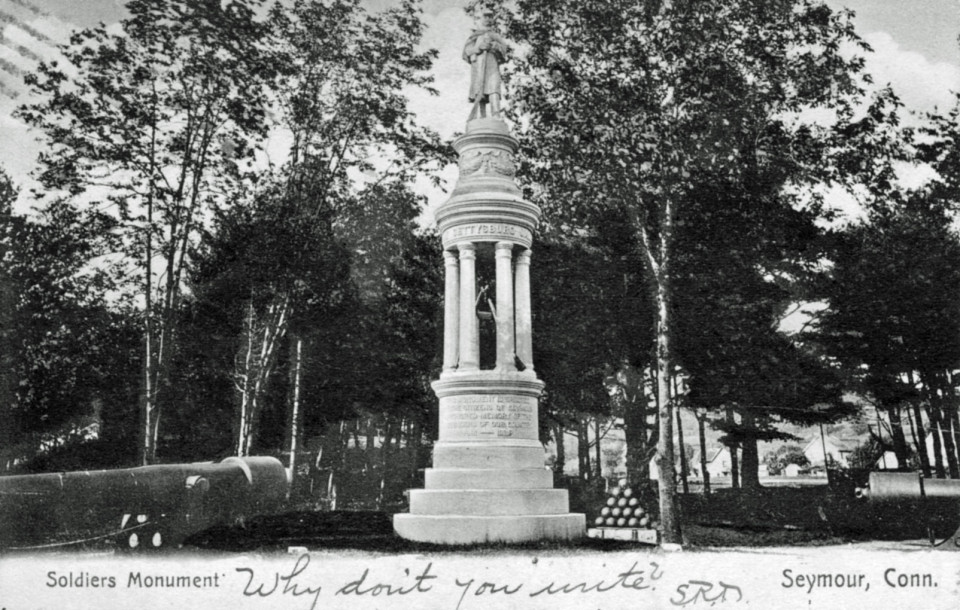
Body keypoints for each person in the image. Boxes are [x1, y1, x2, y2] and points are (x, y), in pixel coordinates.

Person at [462, 8, 508, 120]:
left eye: (490, 17)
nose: (488, 19)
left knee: (494, 88)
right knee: (479, 90)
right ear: (479, 18)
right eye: (485, 16)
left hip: (492, 66)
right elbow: (466, 51)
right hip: (478, 66)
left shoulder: (494, 35)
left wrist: (493, 46)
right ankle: (480, 116)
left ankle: (496, 114)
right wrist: (478, 48)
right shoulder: (475, 35)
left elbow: (504, 50)